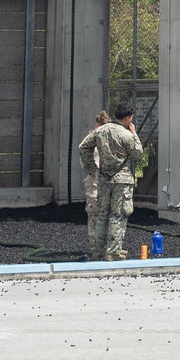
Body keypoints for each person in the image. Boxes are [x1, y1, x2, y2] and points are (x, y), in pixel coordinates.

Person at [79, 101, 142, 261]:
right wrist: (134, 134)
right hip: (121, 181)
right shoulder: (126, 134)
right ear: (128, 118)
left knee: (102, 214)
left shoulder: (100, 131)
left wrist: (92, 168)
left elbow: (83, 147)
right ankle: (113, 251)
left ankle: (98, 251)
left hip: (103, 180)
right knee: (118, 214)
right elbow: (137, 154)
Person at [83, 110, 112, 255]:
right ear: (97, 126)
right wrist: (94, 171)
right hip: (94, 181)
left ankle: (106, 246)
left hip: (106, 180)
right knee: (94, 212)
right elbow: (83, 158)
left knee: (107, 213)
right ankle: (95, 247)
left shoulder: (108, 140)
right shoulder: (91, 140)